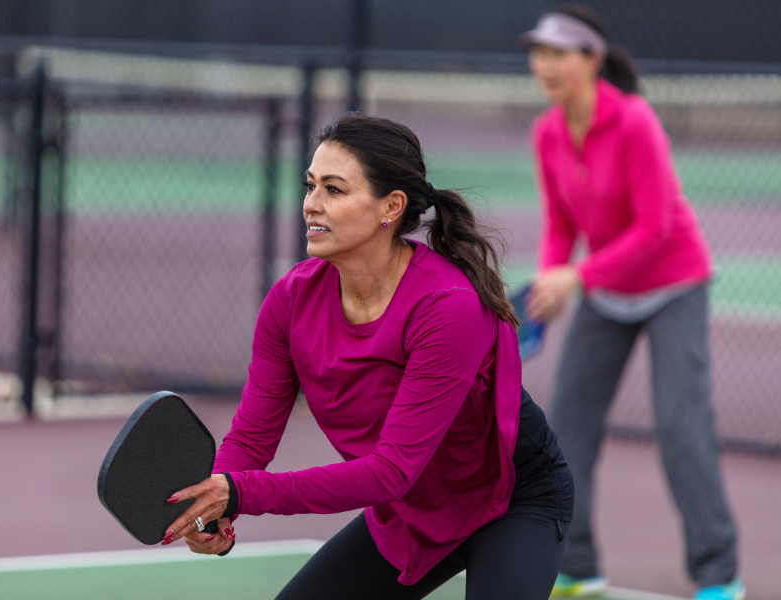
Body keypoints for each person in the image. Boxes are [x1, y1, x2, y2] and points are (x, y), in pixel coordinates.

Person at [159, 113, 574, 599]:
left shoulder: (447, 308)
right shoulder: (290, 301)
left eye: (334, 190)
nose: (312, 205)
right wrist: (220, 503)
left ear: (391, 207)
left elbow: (390, 472)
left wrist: (244, 492)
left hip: (512, 499)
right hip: (410, 508)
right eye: (310, 186)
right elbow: (252, 434)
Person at [520, 6, 743, 600]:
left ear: (591, 60)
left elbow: (655, 228)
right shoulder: (547, 131)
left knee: (681, 427)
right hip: (605, 289)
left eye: (557, 53)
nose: (544, 65)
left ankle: (720, 575)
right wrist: (551, 277)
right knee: (564, 427)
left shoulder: (636, 121)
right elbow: (560, 222)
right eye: (538, 53)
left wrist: (578, 277)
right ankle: (580, 565)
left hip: (675, 284)